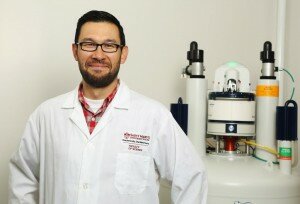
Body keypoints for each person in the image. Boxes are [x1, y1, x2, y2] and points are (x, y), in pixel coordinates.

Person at [9, 10, 207, 204]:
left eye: (109, 45)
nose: (98, 54)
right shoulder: (45, 116)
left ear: (123, 54)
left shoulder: (154, 117)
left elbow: (191, 177)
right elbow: (22, 182)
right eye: (88, 44)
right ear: (75, 51)